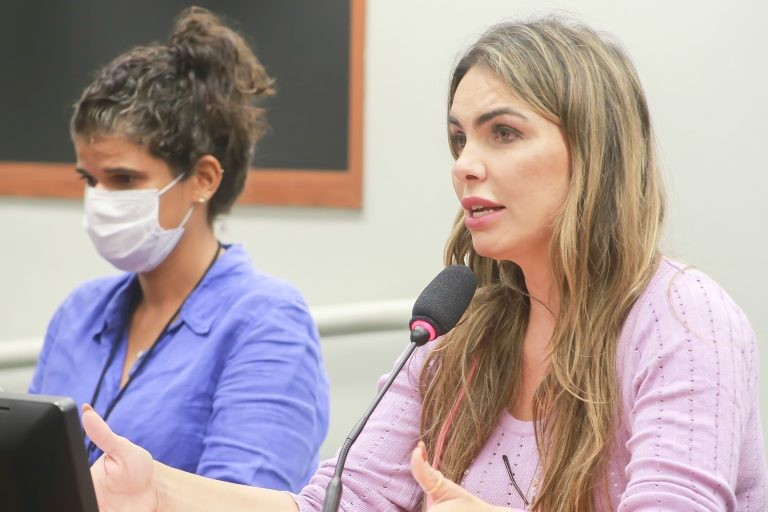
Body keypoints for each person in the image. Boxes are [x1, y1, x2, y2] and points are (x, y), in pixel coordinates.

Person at [80, 16, 766, 511]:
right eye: (458, 138)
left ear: (595, 150)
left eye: (504, 133)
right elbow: (334, 507)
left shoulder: (682, 319)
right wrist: (158, 488)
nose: (466, 165)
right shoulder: (459, 329)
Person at [29, 6, 329, 492]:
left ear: (203, 180)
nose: (102, 200)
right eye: (90, 179)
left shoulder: (267, 323)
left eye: (124, 179)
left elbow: (246, 502)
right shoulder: (78, 315)